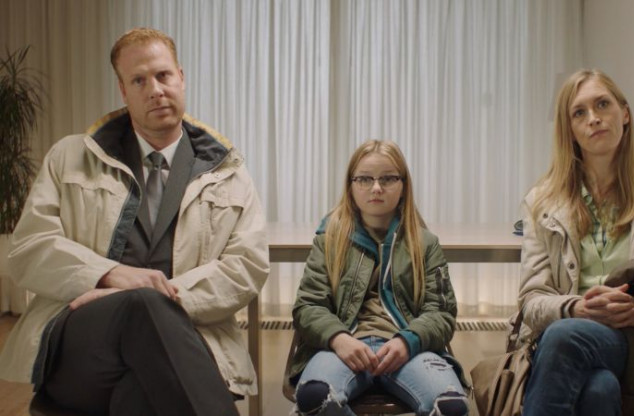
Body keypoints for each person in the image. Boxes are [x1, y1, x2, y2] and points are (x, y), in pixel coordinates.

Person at [0, 28, 269, 416]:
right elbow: (29, 249)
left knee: (141, 391)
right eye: (139, 80)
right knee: (141, 309)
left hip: (188, 338)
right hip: (81, 342)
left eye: (163, 75)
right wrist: (109, 276)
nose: (155, 90)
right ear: (123, 91)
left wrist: (161, 297)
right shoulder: (69, 157)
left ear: (181, 78)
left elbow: (246, 266)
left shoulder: (229, 172)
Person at [518, 69, 634, 416]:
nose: (594, 118)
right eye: (579, 112)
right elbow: (530, 302)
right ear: (570, 131)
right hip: (569, 334)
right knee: (599, 389)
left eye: (602, 104)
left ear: (625, 113)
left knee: (564, 338)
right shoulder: (543, 203)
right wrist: (576, 309)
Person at [287, 140, 469, 416]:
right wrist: (339, 338)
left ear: (403, 185)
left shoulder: (425, 243)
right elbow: (308, 307)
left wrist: (408, 340)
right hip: (343, 347)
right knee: (314, 398)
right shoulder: (329, 240)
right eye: (364, 179)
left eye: (387, 178)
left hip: (408, 351)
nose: (376, 188)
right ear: (351, 186)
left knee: (452, 408)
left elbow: (441, 313)